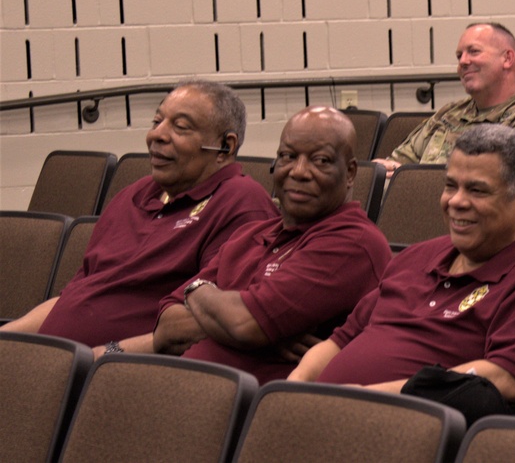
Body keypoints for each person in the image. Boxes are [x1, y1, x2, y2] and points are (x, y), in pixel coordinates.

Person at [289, 124, 515, 412]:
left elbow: (505, 378)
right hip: (322, 415)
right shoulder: (418, 256)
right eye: (451, 186)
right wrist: (291, 393)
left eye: (477, 190)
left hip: (410, 431)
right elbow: (340, 341)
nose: (456, 201)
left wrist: (356, 400)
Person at [1, 80, 279, 354]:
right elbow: (75, 297)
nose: (157, 135)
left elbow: (206, 326)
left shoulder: (241, 203)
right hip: (53, 364)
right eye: (156, 122)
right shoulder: (134, 195)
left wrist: (101, 357)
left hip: (118, 375)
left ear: (225, 146)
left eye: (180, 127)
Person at [150, 106, 392, 383]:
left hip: (262, 410)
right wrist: (263, 335)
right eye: (288, 156)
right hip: (186, 392)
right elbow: (167, 328)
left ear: (349, 173)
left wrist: (207, 300)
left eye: (321, 160)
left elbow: (245, 324)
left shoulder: (354, 242)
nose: (299, 172)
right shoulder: (249, 235)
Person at [373, 23, 515, 177]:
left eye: (473, 51)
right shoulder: (449, 114)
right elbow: (398, 163)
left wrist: (412, 177)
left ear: (507, 59)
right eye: (459, 56)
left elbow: (493, 184)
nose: (462, 62)